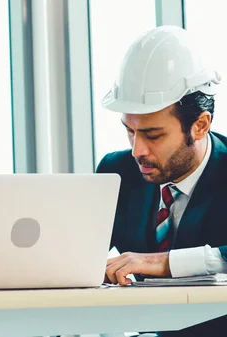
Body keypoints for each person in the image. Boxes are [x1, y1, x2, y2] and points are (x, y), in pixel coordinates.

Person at [97, 25, 226, 336]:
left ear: (199, 125)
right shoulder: (118, 171)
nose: (137, 150)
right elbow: (76, 254)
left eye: (153, 135)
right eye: (130, 130)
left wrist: (166, 263)